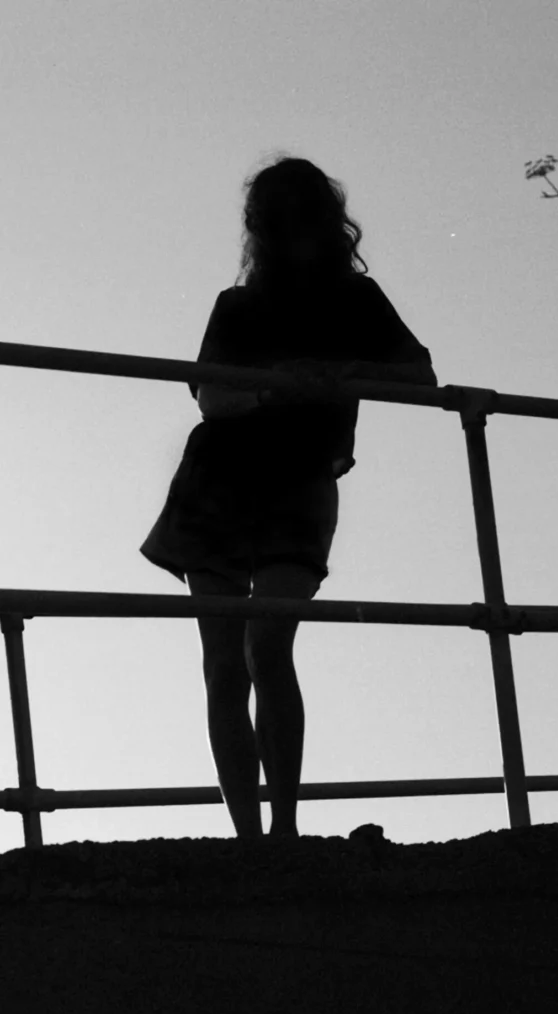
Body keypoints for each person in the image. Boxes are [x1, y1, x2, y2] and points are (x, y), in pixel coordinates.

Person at [140, 155, 437, 839]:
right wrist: (276, 385)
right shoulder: (237, 307)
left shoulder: (358, 302)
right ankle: (252, 841)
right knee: (223, 665)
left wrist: (343, 373)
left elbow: (420, 376)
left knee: (267, 644)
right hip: (218, 483)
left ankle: (284, 830)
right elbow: (212, 398)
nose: (291, 234)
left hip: (300, 483)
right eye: (280, 221)